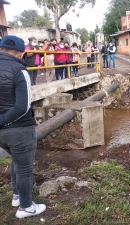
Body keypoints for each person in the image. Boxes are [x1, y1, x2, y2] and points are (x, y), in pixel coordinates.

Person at [0, 35, 46, 218]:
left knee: (15, 160)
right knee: (24, 168)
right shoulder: (20, 71)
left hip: (1, 134)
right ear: (22, 54)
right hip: (19, 129)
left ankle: (17, 196)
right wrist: (4, 121)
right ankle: (26, 207)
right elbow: (23, 106)